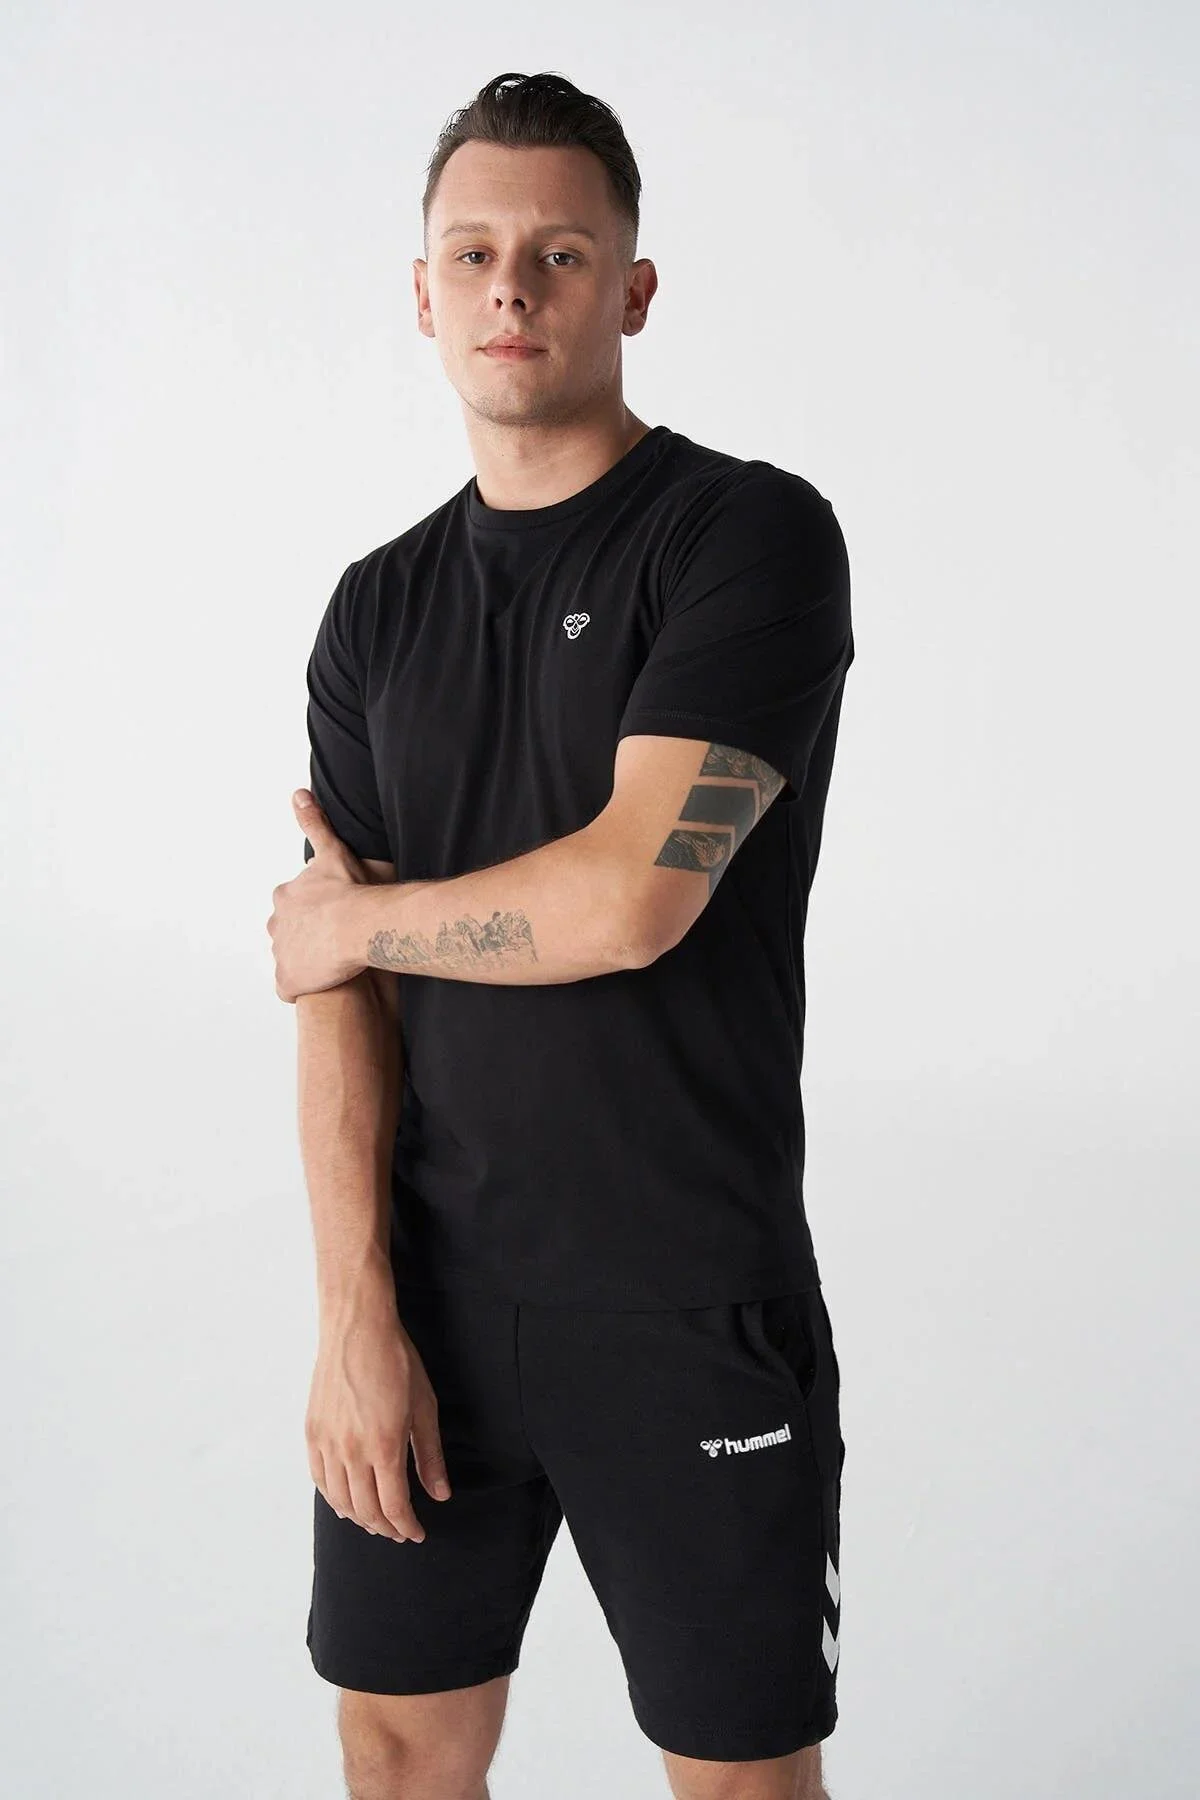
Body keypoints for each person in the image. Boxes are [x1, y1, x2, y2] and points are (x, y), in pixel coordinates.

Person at [268, 68, 854, 1800]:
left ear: (633, 290)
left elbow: (630, 898)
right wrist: (353, 1316)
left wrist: (361, 921)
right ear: (423, 292)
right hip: (432, 1303)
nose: (510, 287)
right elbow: (336, 995)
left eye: (560, 253)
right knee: (397, 1750)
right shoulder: (375, 609)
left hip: (687, 1294)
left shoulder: (746, 536)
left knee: (740, 1777)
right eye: (473, 253)